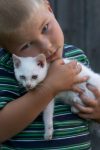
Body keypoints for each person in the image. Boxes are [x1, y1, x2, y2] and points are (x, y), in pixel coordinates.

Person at [0, 0, 100, 149]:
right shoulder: (6, 68)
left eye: (45, 28)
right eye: (26, 45)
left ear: (50, 9)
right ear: (8, 48)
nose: (46, 47)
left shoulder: (76, 57)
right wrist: (49, 88)